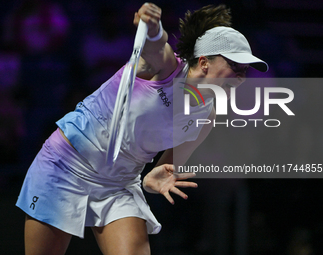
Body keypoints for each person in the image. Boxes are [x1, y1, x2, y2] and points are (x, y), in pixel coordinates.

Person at [16, 3, 268, 255]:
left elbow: (165, 168)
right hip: (66, 164)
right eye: (235, 67)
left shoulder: (206, 117)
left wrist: (153, 178)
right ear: (204, 62)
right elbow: (156, 45)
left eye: (244, 70)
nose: (240, 77)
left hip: (118, 184)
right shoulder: (165, 68)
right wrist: (153, 27)